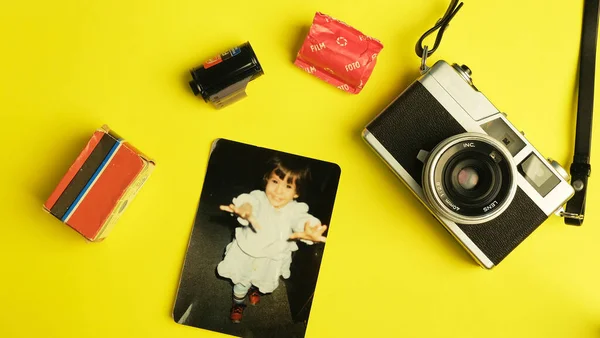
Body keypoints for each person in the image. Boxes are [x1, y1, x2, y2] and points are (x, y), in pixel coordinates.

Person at [216, 156, 328, 323]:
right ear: (267, 179)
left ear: (297, 192)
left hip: (270, 259)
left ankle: (255, 289)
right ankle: (238, 304)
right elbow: (249, 201)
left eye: (288, 186)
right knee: (241, 283)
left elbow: (302, 219)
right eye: (275, 182)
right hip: (247, 253)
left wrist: (310, 227)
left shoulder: (295, 209)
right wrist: (245, 209)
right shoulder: (259, 198)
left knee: (262, 279)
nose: (278, 191)